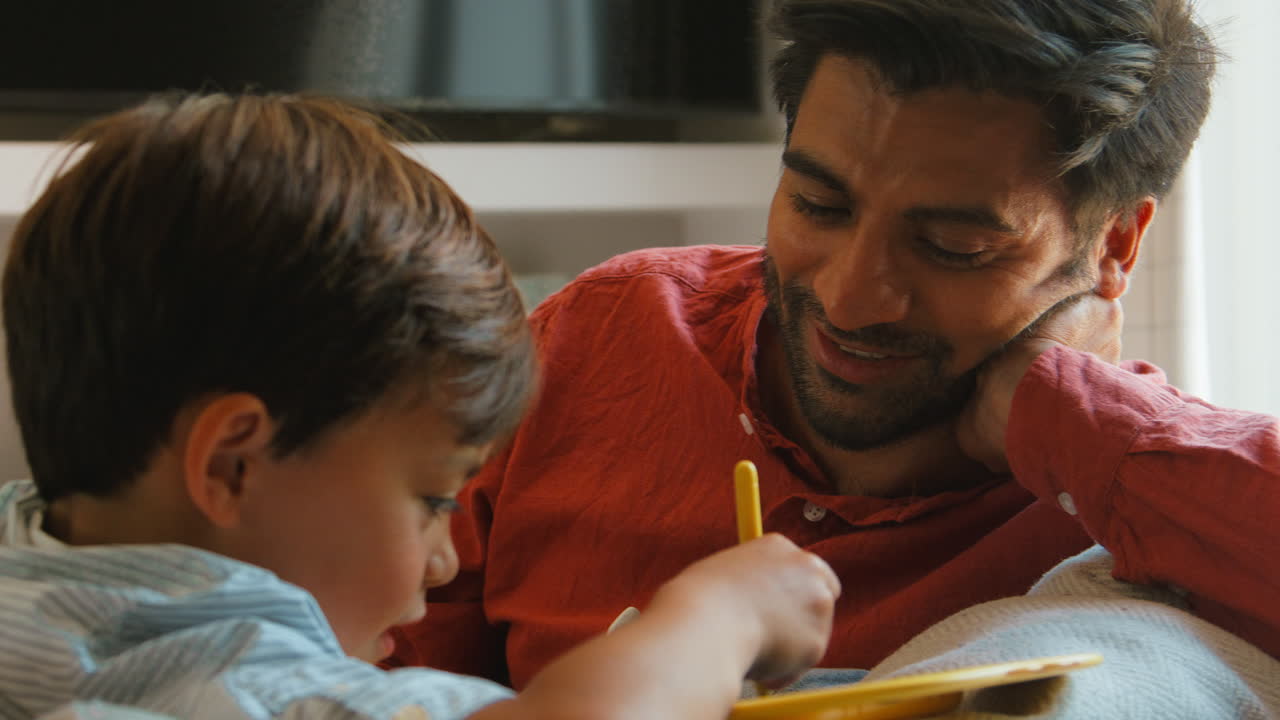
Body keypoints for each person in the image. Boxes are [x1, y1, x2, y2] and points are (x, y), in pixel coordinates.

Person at [388, 0, 1280, 691]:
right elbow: (367, 675)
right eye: (819, 205)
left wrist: (1056, 414)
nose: (850, 298)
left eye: (952, 247)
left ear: (1115, 245)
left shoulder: (1134, 495)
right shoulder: (602, 337)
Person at [0, 93, 842, 720]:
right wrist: (719, 617)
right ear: (232, 464)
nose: (444, 560)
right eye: (432, 499)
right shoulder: (262, 691)